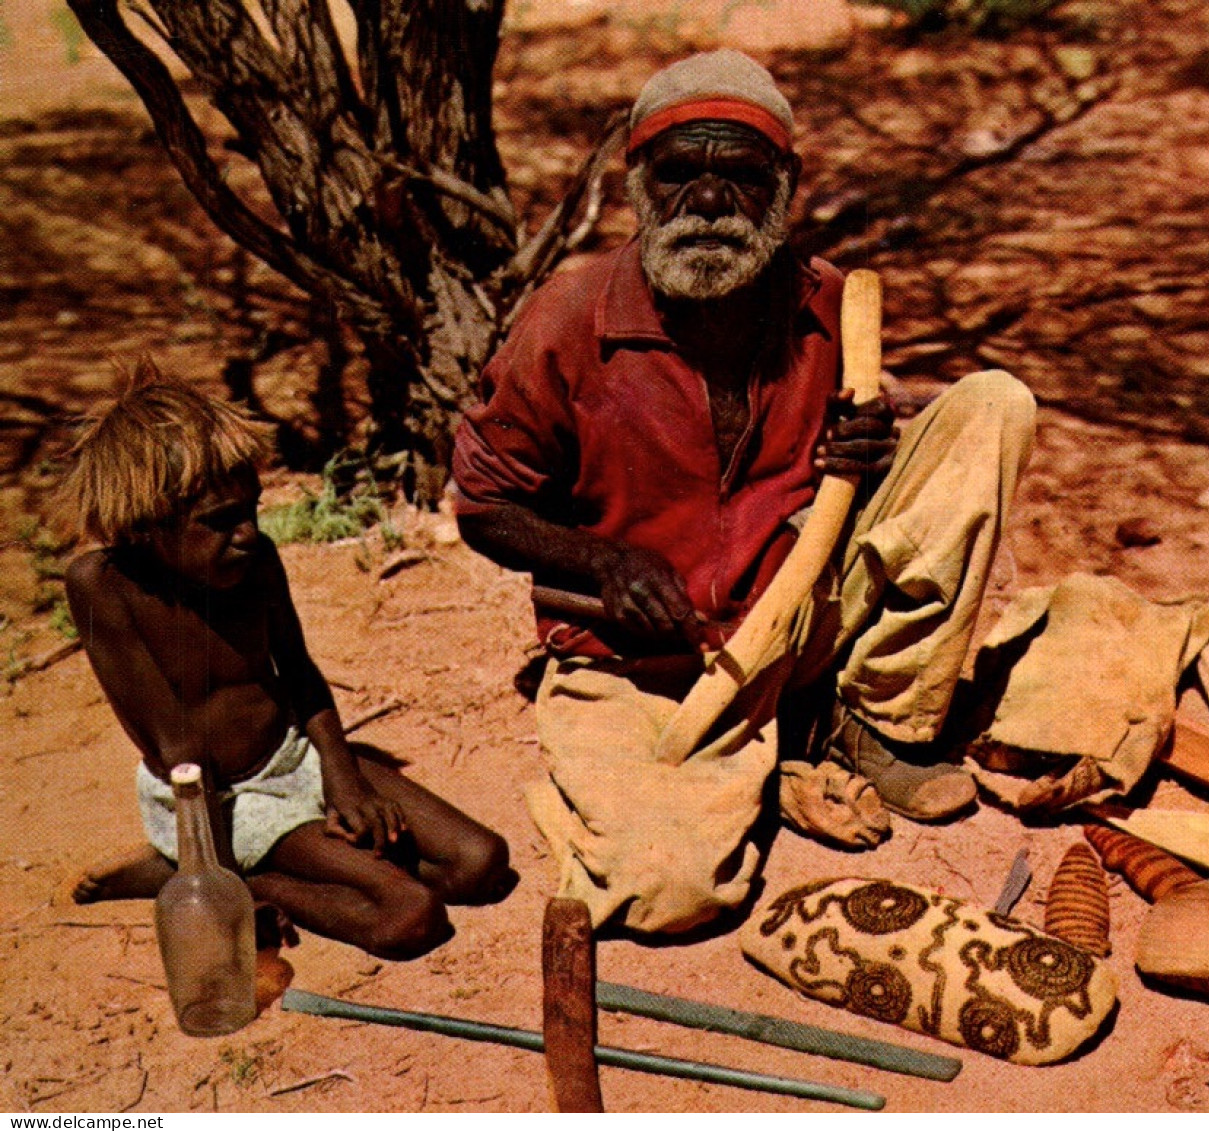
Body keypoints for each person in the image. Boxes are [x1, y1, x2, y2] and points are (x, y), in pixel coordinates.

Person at [453, 50, 1036, 933]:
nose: (711, 206)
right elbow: (484, 505)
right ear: (639, 184)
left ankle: (863, 718)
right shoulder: (569, 319)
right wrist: (603, 561)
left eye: (742, 179)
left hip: (794, 618)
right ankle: (674, 784)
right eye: (681, 176)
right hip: (644, 660)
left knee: (993, 404)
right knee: (667, 897)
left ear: (785, 185)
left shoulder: (830, 300)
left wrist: (872, 446)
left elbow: (869, 469)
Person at [61, 363, 517, 960]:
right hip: (222, 799)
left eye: (251, 510)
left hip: (294, 753)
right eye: (220, 521)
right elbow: (179, 752)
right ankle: (231, 874)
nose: (248, 534)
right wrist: (218, 878)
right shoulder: (104, 587)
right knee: (412, 915)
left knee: (480, 863)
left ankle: (225, 869)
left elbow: (297, 670)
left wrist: (342, 777)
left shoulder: (255, 561)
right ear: (146, 526)